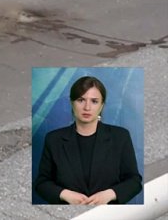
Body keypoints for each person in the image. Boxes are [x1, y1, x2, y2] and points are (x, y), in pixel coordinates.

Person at [33, 76, 143, 205]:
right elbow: (41, 183)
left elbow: (134, 181)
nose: (87, 107)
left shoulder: (120, 136)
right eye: (81, 100)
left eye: (94, 101)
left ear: (102, 105)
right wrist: (64, 194)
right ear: (71, 102)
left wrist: (111, 194)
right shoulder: (54, 139)